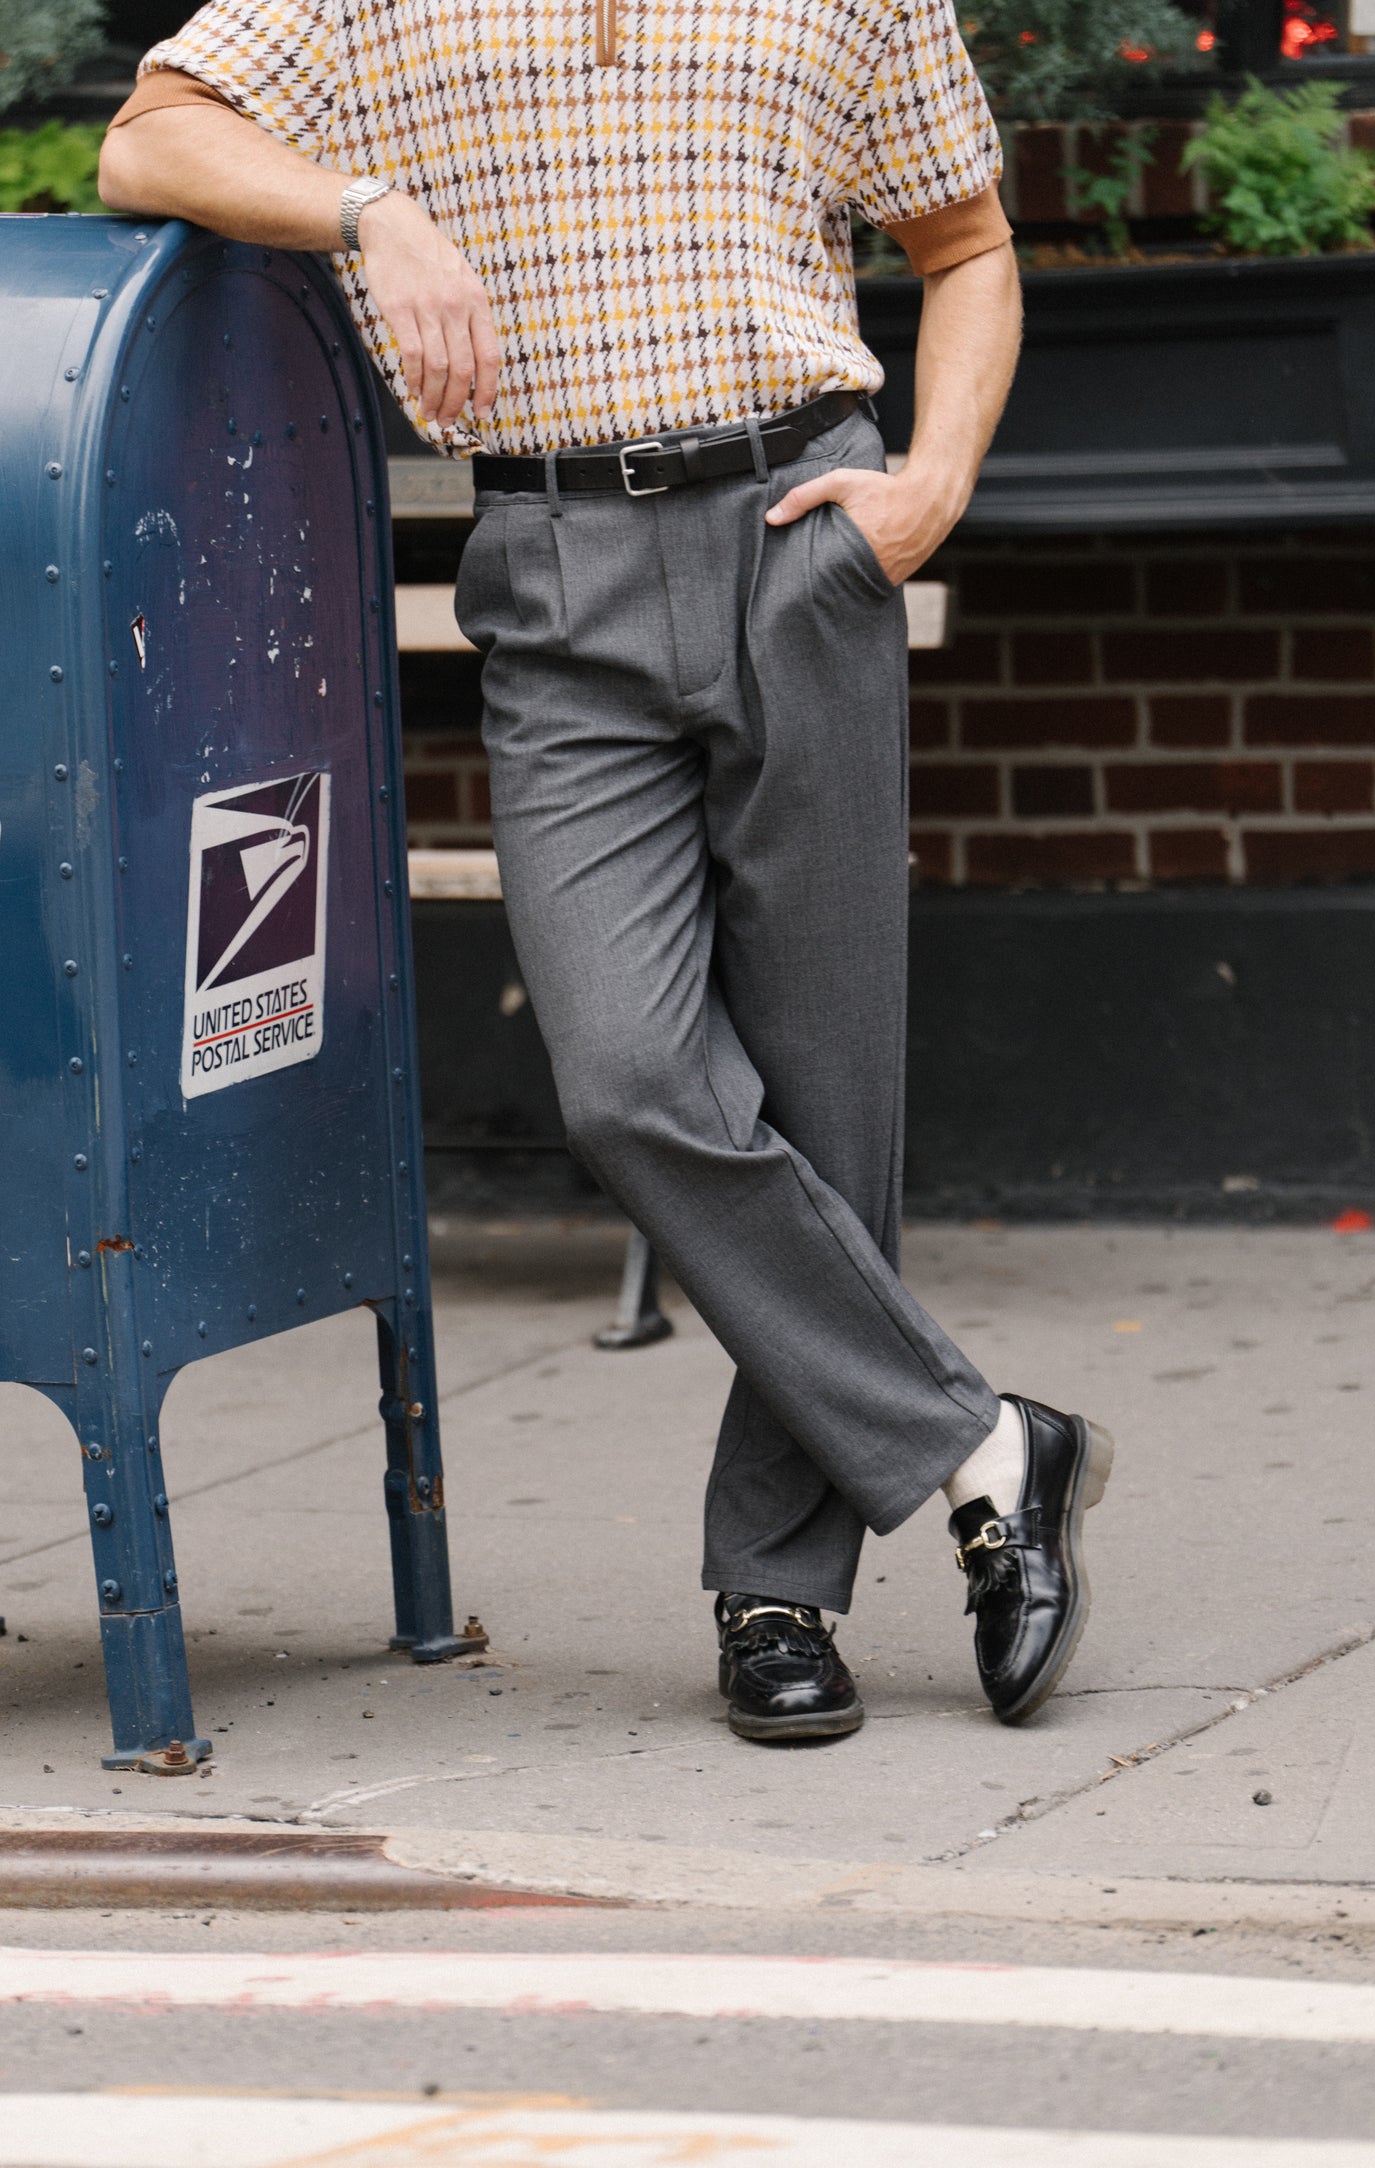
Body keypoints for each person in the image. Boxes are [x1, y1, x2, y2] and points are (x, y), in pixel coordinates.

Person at [99, 0, 1113, 1745]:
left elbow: (966, 243)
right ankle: (982, 1446)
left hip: (803, 530)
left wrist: (930, 480)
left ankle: (778, 1593)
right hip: (552, 563)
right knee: (629, 1076)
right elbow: (150, 137)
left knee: (821, 1094)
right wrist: (370, 210)